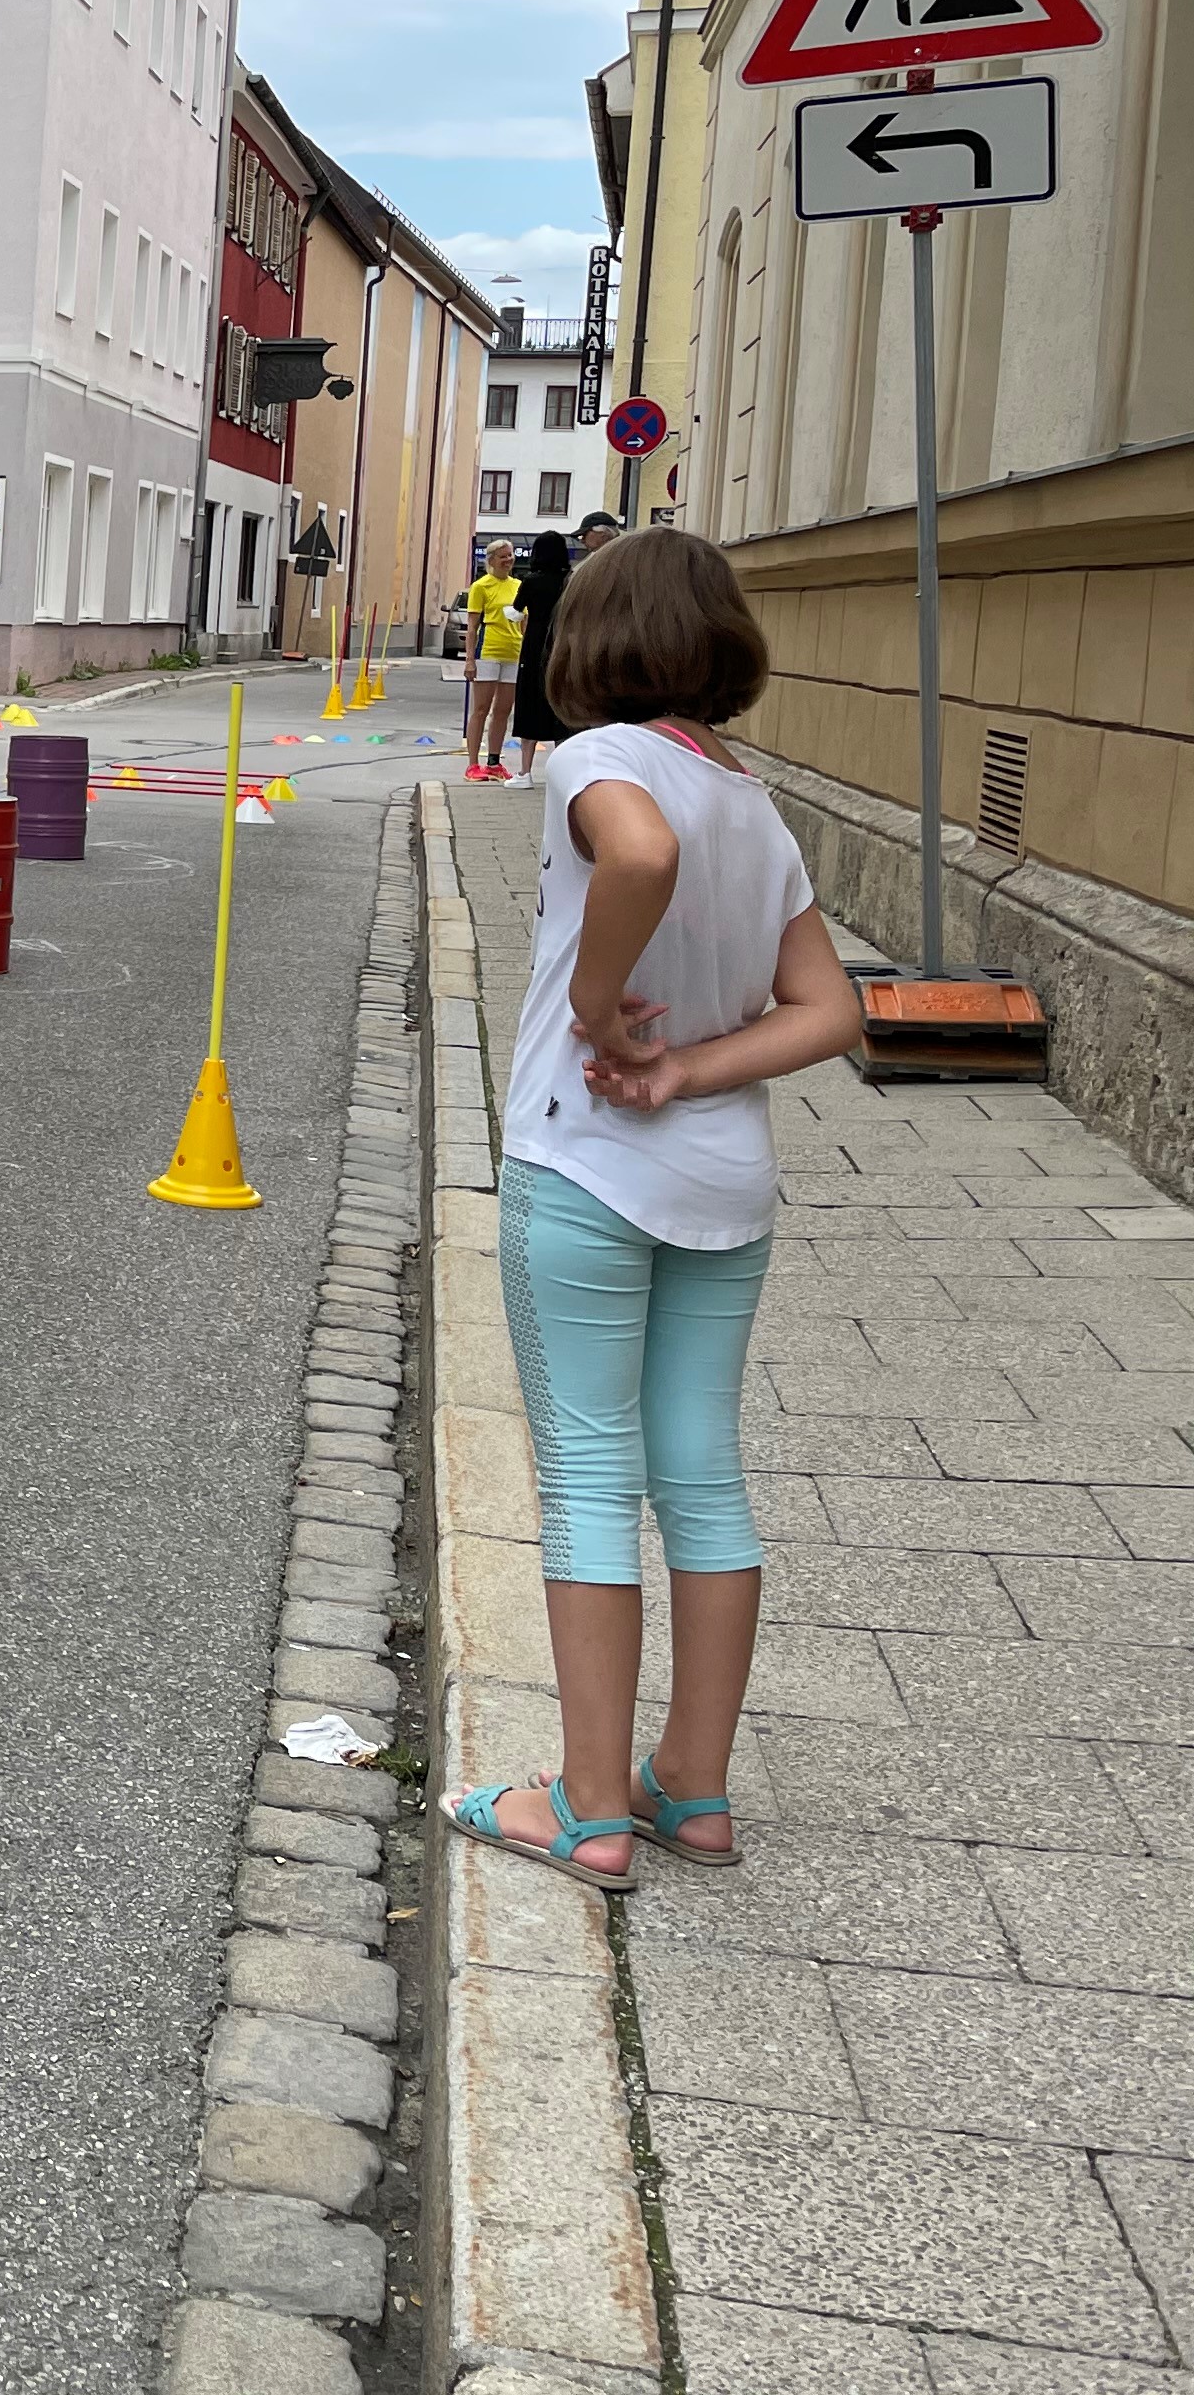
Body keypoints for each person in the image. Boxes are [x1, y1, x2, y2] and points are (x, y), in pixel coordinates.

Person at [442, 530, 864, 1893]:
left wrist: (591, 1009)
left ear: (591, 640)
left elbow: (634, 857)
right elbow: (832, 1013)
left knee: (584, 1475)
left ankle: (587, 1807)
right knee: (701, 1472)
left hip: (586, 1168)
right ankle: (695, 1787)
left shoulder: (598, 760)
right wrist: (689, 1066)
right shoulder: (754, 799)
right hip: (723, 1179)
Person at [506, 530, 575, 775]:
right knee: (560, 702)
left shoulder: (531, 581)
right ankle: (562, 771)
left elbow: (515, 612)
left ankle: (525, 772)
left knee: (530, 702)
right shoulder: (570, 580)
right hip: (563, 642)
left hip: (535, 643)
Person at [461, 541, 524, 780]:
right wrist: (469, 660)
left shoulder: (518, 586)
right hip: (488, 651)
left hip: (513, 653)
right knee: (481, 709)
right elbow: (472, 627)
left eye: (510, 555)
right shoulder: (481, 587)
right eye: (503, 557)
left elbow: (523, 622)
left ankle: (494, 762)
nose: (508, 560)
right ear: (491, 560)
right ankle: (472, 764)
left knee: (503, 711)